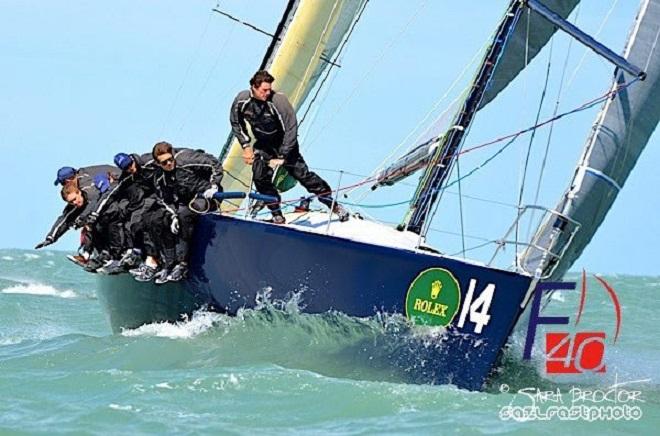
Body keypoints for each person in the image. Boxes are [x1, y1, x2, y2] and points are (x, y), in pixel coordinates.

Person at [230, 69, 349, 224]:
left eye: (269, 89)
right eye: (264, 90)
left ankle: (333, 204)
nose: (267, 93)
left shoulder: (278, 101)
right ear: (253, 86)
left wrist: (282, 156)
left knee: (303, 176)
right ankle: (276, 214)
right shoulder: (242, 100)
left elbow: (291, 129)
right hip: (264, 144)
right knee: (260, 177)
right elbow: (236, 123)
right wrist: (246, 146)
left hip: (285, 143)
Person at [150, 141, 223, 284]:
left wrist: (214, 185)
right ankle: (168, 264)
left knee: (186, 214)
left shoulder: (187, 159)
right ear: (158, 164)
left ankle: (182, 264)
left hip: (207, 195)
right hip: (185, 201)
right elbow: (165, 199)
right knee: (160, 219)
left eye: (171, 159)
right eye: (164, 163)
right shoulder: (160, 178)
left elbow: (214, 163)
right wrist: (173, 216)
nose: (169, 164)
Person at [35, 165, 119, 251]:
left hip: (120, 193)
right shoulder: (80, 181)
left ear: (68, 181)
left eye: (62, 184)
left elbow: (94, 201)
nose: (63, 186)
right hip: (111, 194)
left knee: (97, 222)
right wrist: (51, 238)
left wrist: (82, 217)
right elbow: (66, 217)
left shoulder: (86, 186)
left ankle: (113, 253)